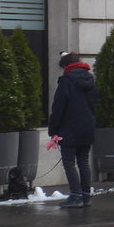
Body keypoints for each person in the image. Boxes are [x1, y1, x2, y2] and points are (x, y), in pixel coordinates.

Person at [48, 51, 97, 208]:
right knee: (83, 161)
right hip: (87, 127)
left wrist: (53, 130)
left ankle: (75, 196)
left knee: (69, 163)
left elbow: (58, 108)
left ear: (65, 65)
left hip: (69, 128)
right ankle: (86, 196)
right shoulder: (90, 80)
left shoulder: (66, 81)